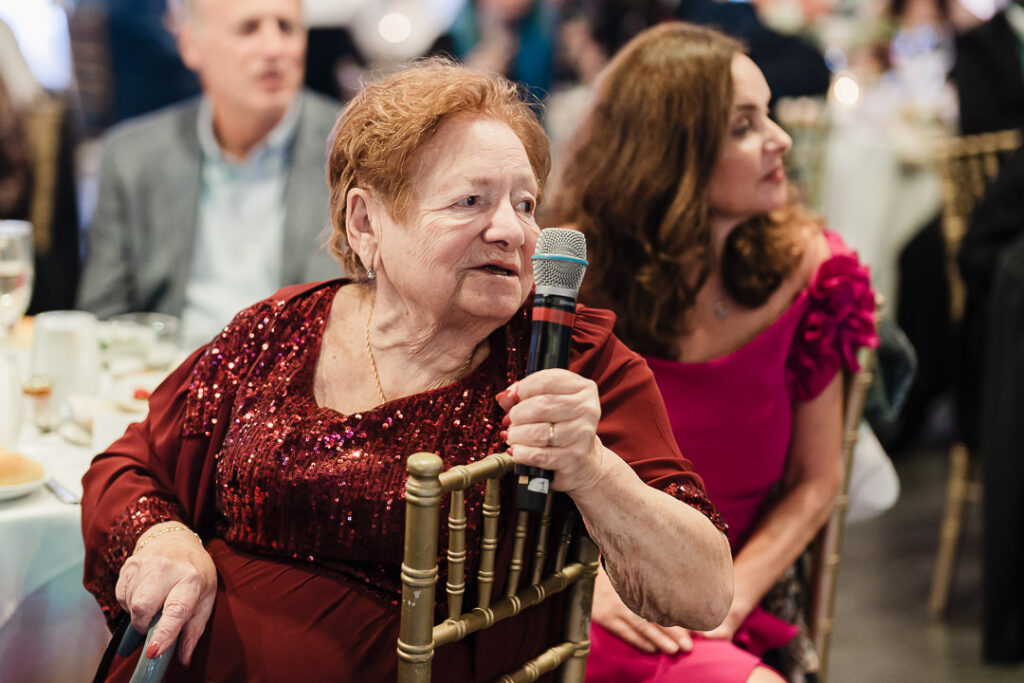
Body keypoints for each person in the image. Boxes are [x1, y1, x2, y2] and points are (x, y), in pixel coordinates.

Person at [80, 58, 734, 681]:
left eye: (527, 204)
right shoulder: (275, 331)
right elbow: (126, 464)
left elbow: (704, 593)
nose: (511, 229)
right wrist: (165, 539)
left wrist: (593, 468)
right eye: (471, 200)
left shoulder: (572, 360)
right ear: (365, 222)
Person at [544, 22, 877, 682]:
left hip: (731, 591)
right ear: (671, 156)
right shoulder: (576, 286)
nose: (780, 139)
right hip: (603, 592)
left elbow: (817, 480)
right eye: (745, 126)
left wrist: (728, 598)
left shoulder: (814, 275)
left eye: (769, 115)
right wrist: (600, 584)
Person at [76, 0, 340, 349]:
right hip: (166, 385)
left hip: (302, 388)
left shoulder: (353, 153)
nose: (275, 48)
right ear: (191, 45)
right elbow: (101, 321)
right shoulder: (132, 157)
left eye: (286, 27)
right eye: (248, 28)